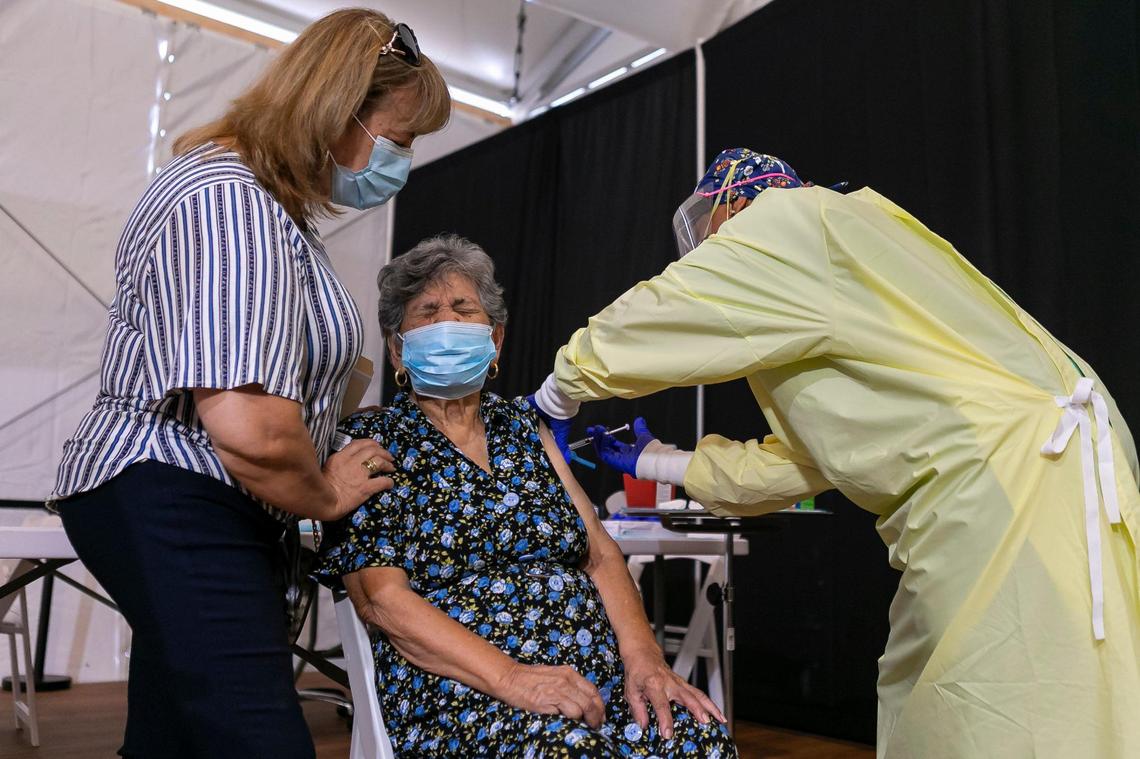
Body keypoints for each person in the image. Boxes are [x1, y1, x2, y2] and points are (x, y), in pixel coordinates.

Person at [529, 148, 1140, 758]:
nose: (707, 248)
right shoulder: (846, 263)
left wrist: (561, 388)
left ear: (735, 202)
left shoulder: (795, 222)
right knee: (1050, 693)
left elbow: (666, 310)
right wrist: (656, 461)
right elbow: (803, 461)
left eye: (708, 226)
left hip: (1008, 482)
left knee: (1001, 708)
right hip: (1057, 469)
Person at [49, 10, 450, 758]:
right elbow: (251, 428)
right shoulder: (230, 201)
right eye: (400, 138)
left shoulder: (271, 213)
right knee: (257, 735)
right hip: (176, 490)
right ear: (338, 112)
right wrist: (325, 492)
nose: (404, 158)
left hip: (199, 494)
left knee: (176, 736)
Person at [314, 234, 736, 758]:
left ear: (495, 339)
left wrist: (646, 658)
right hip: (469, 692)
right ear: (398, 348)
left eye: (463, 308)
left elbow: (599, 553)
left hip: (595, 683)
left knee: (701, 739)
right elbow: (382, 601)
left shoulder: (523, 427)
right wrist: (513, 678)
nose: (447, 321)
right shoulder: (373, 446)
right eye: (427, 311)